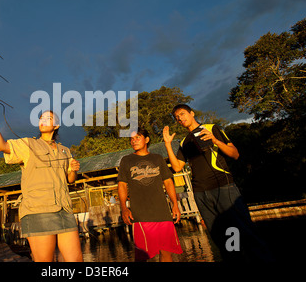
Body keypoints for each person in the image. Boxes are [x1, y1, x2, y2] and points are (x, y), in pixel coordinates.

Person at [163, 104, 273, 261]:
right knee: (224, 239)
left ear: (192, 113)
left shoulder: (210, 128)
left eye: (182, 113)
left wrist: (215, 140)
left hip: (223, 187)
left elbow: (234, 154)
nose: (180, 118)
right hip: (201, 194)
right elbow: (176, 167)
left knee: (246, 233)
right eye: (176, 117)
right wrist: (167, 144)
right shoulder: (184, 142)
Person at [0, 103, 83, 262]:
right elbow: (1, 145)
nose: (43, 120)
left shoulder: (65, 151)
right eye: (41, 117)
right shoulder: (29, 144)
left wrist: (73, 170)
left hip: (65, 210)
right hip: (38, 210)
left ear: (56, 125)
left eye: (48, 118)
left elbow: (70, 180)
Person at [117, 127, 183, 262]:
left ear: (146, 140)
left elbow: (168, 182)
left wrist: (175, 205)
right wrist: (124, 208)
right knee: (142, 256)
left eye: (137, 138)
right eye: (131, 139)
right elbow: (122, 185)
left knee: (167, 253)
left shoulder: (157, 158)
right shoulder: (126, 160)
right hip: (140, 215)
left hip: (163, 213)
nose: (134, 141)